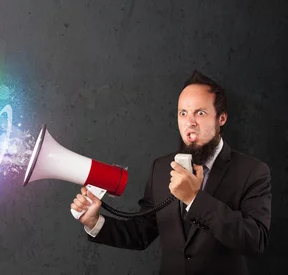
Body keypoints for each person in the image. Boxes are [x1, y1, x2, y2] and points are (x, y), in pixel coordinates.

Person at [71, 70, 272, 275]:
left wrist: (195, 199)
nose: (189, 121)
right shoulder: (160, 167)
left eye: (200, 113)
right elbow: (142, 233)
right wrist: (95, 222)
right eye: (183, 113)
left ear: (221, 118)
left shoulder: (253, 171)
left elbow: (255, 241)